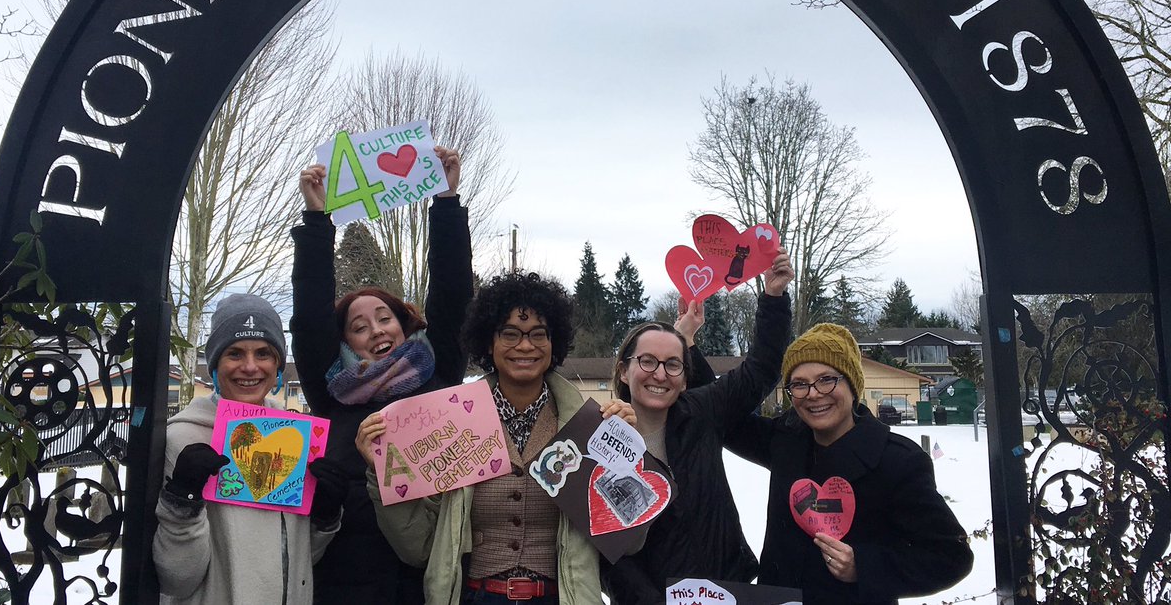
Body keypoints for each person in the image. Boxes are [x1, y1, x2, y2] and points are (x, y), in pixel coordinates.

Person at [356, 271, 636, 605]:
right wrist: (384, 472)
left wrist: (627, 456)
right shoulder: (450, 425)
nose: (525, 345)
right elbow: (418, 547)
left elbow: (626, 541)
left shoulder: (588, 427)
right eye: (510, 334)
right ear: (489, 342)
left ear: (553, 343)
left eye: (538, 334)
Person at [290, 148, 472, 603]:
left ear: (404, 323)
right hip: (344, 585)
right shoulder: (331, 391)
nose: (376, 330)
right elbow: (310, 316)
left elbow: (453, 297)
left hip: (428, 582)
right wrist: (317, 222)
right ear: (345, 343)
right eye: (358, 326)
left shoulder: (439, 373)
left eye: (384, 317)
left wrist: (447, 202)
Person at [727, 323, 974, 605]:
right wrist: (689, 345)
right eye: (799, 384)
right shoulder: (785, 443)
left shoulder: (897, 460)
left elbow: (951, 557)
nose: (813, 393)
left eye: (826, 379)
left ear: (852, 384)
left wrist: (864, 566)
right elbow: (720, 413)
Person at [600, 253, 795, 605]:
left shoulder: (703, 413)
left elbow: (761, 369)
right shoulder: (599, 442)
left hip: (727, 591)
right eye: (647, 361)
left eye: (672, 364)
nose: (660, 374)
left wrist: (774, 297)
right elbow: (606, 555)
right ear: (623, 371)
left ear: (685, 377)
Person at [153, 294, 345, 604]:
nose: (250, 367)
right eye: (235, 353)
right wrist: (181, 502)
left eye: (264, 353)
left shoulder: (294, 438)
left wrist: (324, 517)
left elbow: (295, 563)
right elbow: (177, 580)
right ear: (216, 362)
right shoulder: (182, 438)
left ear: (278, 364)